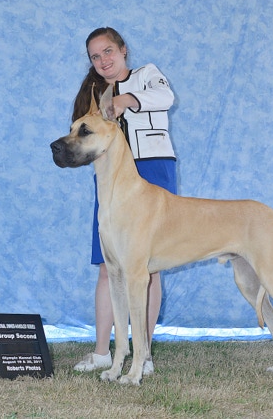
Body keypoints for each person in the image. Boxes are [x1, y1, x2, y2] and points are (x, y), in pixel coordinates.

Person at [72, 27, 178, 372]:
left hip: (153, 167)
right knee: (109, 267)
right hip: (111, 179)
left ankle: (143, 354)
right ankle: (103, 352)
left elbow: (166, 98)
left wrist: (126, 100)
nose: (103, 60)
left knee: (149, 268)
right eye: (95, 56)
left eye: (108, 51)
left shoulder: (147, 75)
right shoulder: (91, 94)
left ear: (123, 50)